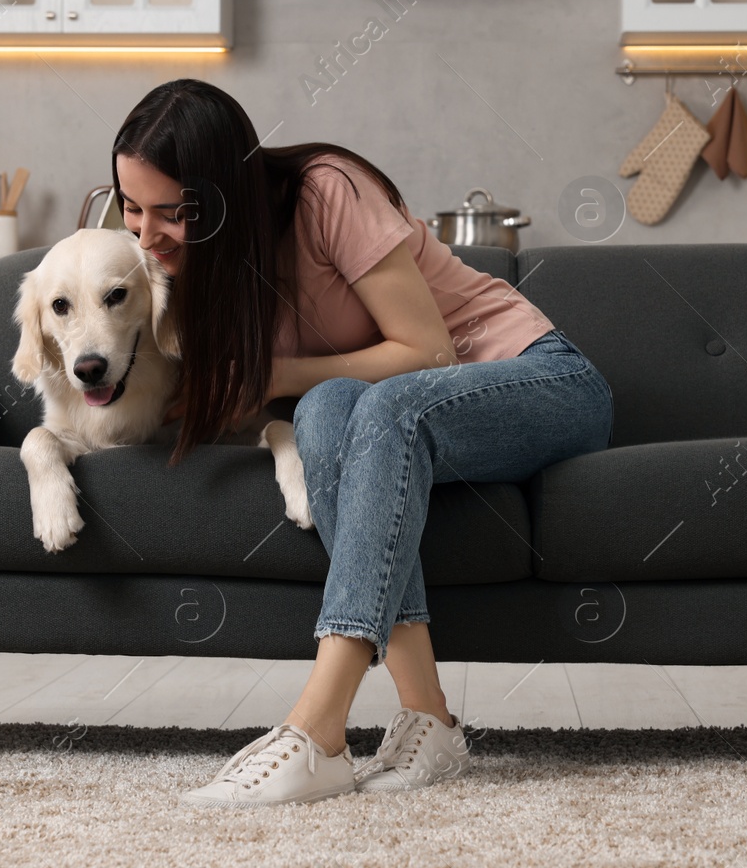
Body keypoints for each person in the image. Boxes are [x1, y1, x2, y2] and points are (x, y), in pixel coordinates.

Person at [109, 79, 613, 806]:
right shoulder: (194, 271)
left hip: (538, 380)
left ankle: (318, 727)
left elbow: (428, 352)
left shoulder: (324, 191)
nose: (147, 234)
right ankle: (430, 718)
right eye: (132, 207)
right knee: (322, 413)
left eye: (172, 212)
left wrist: (269, 372)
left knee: (383, 408)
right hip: (398, 412)